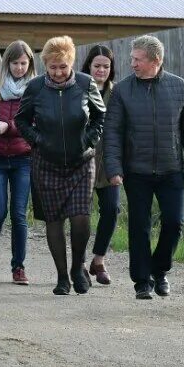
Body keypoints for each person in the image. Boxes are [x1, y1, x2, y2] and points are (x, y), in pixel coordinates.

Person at [103, 35, 184, 300]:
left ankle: (160, 271)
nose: (132, 64)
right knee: (139, 226)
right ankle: (142, 281)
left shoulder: (180, 87)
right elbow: (112, 132)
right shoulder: (122, 90)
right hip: (136, 171)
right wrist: (114, 168)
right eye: (132, 58)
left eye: (138, 59)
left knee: (174, 223)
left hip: (172, 170)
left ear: (155, 60)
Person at [15, 36, 106, 296]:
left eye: (63, 67)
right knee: (54, 220)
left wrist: (89, 139)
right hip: (47, 162)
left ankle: (78, 268)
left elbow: (100, 116)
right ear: (46, 66)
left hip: (81, 162)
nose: (58, 72)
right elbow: (21, 121)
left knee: (80, 219)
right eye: (53, 67)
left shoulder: (86, 83)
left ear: (71, 64)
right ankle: (62, 277)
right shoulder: (34, 88)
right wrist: (38, 141)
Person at [0, 40, 35, 285]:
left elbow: (37, 123)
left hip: (23, 158)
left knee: (19, 214)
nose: (20, 68)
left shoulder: (36, 87)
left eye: (24, 63)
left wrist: (10, 127)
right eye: (15, 63)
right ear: (6, 63)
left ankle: (18, 267)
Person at [82, 44, 119, 285]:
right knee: (81, 215)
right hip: (83, 160)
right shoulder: (79, 89)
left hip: (110, 161)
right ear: (89, 66)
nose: (102, 70)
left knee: (111, 210)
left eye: (106, 66)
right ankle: (79, 263)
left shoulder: (118, 93)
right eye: (97, 66)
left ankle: (99, 260)